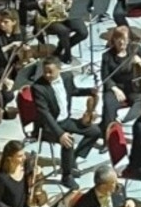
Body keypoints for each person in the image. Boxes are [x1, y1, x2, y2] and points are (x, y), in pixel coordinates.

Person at [30, 57, 103, 189]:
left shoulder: (67, 77)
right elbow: (45, 114)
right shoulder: (38, 87)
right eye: (45, 72)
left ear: (59, 69)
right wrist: (60, 134)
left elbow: (73, 91)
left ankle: (73, 158)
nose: (47, 75)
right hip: (48, 127)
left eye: (50, 72)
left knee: (95, 131)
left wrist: (90, 91)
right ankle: (66, 176)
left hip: (65, 120)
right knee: (68, 141)